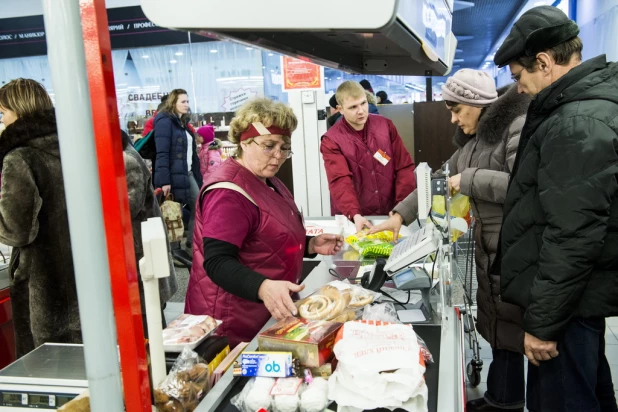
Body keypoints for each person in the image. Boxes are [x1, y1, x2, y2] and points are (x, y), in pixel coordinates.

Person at [373, 69, 531, 412]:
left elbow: (522, 185)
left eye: (457, 109)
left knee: (508, 326)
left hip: (511, 246)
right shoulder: (474, 142)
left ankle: (506, 403)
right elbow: (438, 178)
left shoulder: (515, 127)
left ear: (477, 103)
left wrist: (469, 179)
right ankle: (502, 398)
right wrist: (399, 215)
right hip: (490, 248)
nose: (453, 119)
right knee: (500, 327)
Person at [492, 6, 618, 411]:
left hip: (567, 307)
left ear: (544, 63)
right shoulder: (580, 108)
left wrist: (543, 326)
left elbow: (572, 234)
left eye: (519, 77)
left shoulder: (575, 122)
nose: (520, 90)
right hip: (576, 299)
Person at [185, 98, 344, 347]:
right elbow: (216, 262)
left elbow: (263, 234)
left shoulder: (264, 178)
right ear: (244, 142)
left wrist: (310, 244)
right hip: (232, 321)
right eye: (269, 146)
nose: (278, 156)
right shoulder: (228, 192)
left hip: (265, 313)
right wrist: (263, 287)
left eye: (284, 148)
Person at [0, 79, 78, 357]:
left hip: (44, 286)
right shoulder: (73, 144)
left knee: (49, 369)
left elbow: (15, 231)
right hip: (84, 276)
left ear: (18, 112)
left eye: (3, 113)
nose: (3, 121)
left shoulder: (19, 157)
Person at [320, 81, 416, 232]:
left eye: (363, 103)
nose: (361, 111)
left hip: (390, 214)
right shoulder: (331, 140)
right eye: (353, 107)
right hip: (355, 220)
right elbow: (340, 180)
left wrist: (401, 209)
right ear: (340, 109)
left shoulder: (386, 126)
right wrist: (355, 214)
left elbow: (404, 167)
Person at [121, 130, 178, 335]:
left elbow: (124, 210)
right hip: (140, 264)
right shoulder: (125, 155)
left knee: (148, 336)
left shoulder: (125, 160)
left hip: (140, 266)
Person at [153, 89, 203, 250]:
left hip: (187, 173)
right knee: (173, 211)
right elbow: (162, 152)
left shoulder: (182, 123)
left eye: (188, 101)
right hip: (172, 176)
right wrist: (165, 180)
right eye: (183, 102)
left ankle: (192, 242)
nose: (187, 105)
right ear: (173, 103)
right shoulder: (164, 121)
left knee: (199, 206)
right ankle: (174, 249)